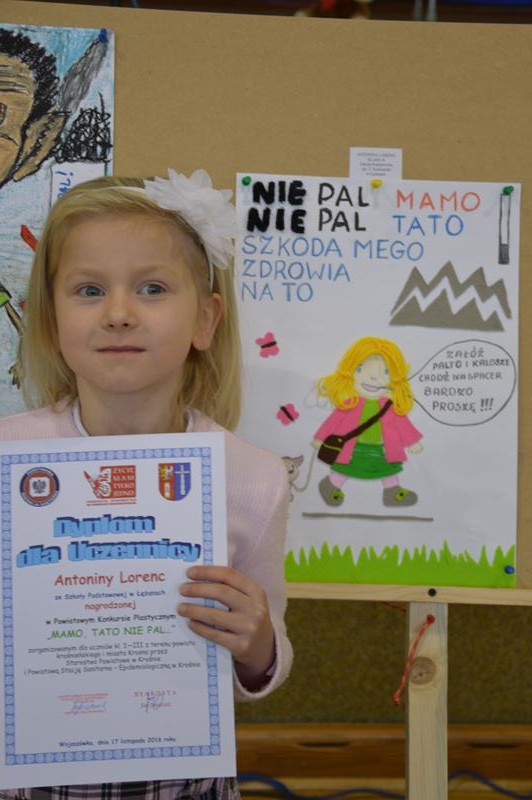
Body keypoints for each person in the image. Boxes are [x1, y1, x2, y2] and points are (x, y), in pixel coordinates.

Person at [0, 168, 293, 800]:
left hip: (185, 782)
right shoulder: (6, 458)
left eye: (152, 288)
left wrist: (258, 645)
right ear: (50, 320)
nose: (118, 314)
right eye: (88, 290)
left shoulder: (253, 478)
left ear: (206, 320)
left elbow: (265, 655)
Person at [314, 336, 423, 508]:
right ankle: (331, 484)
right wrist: (320, 438)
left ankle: (392, 492)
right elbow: (333, 421)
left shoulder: (389, 406)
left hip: (381, 447)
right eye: (360, 369)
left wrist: (412, 442)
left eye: (385, 372)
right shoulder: (350, 403)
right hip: (353, 446)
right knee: (346, 467)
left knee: (387, 467)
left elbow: (403, 424)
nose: (372, 378)